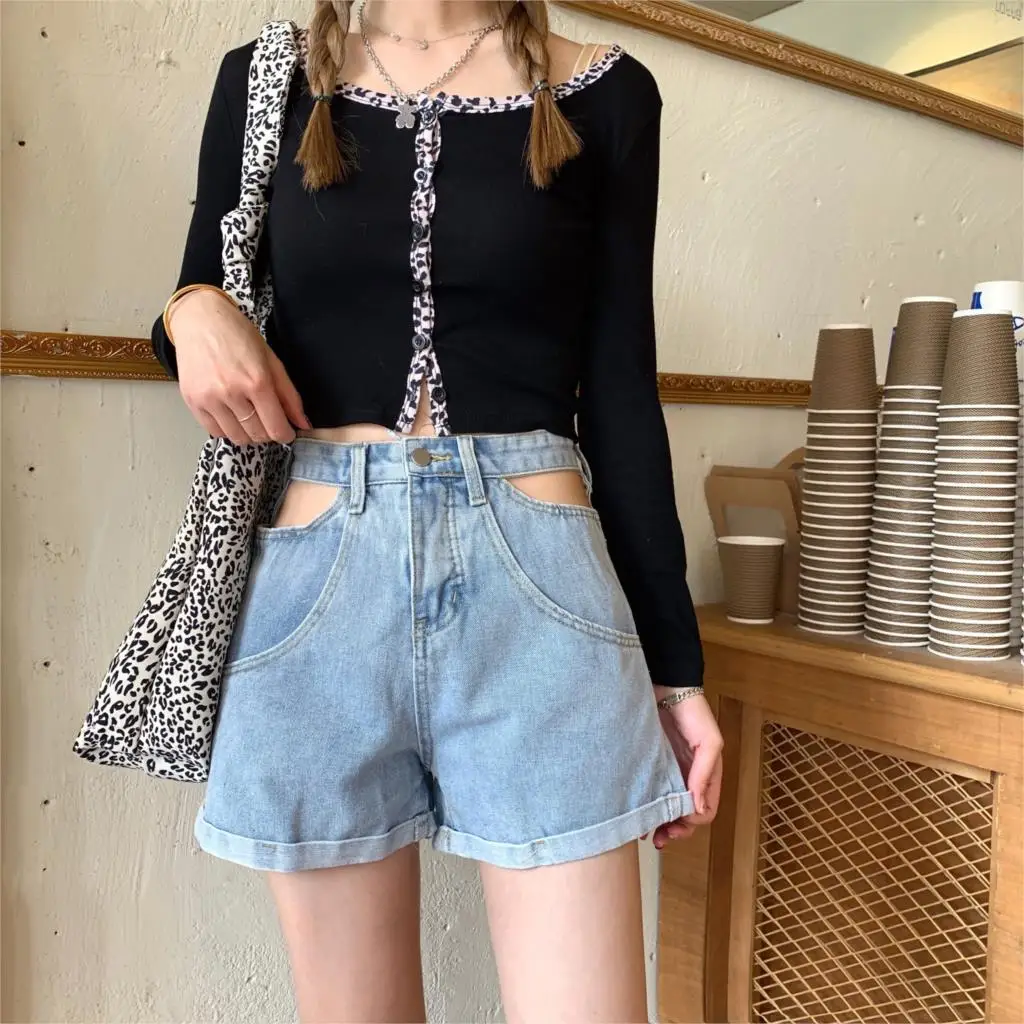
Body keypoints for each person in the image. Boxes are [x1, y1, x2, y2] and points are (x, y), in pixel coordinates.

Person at [154, 1, 724, 1020]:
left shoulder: (606, 93)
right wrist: (189, 309)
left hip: (539, 595)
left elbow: (621, 387)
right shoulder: (266, 79)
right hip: (319, 593)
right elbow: (205, 302)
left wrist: (675, 670)